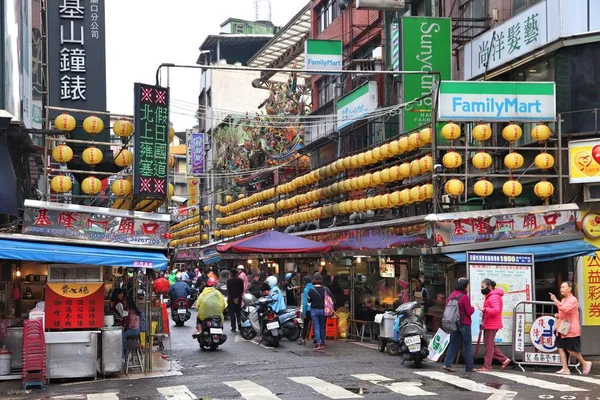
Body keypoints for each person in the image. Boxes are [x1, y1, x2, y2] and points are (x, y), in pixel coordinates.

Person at [551, 281, 593, 375]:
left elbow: (566, 309)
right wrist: (558, 315)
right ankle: (565, 368)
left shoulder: (573, 300)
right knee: (560, 347)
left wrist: (556, 301)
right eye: (561, 287)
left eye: (564, 287)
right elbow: (563, 312)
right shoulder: (564, 300)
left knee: (572, 350)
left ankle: (585, 363)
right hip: (562, 328)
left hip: (571, 329)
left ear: (570, 289)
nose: (561, 289)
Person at [476, 278, 511, 372]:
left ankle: (487, 366)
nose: (482, 289)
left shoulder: (493, 296)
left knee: (489, 345)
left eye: (483, 287)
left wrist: (483, 310)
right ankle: (504, 359)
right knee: (490, 344)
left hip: (492, 324)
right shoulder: (492, 295)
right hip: (490, 323)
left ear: (490, 287)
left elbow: (496, 310)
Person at [442, 277, 475, 372]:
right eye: (468, 285)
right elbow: (469, 312)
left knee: (453, 344)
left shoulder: (451, 295)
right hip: (464, 323)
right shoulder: (464, 297)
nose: (469, 287)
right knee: (467, 345)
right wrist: (473, 308)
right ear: (464, 286)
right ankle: (469, 367)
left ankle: (447, 364)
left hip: (453, 323)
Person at [307, 274, 334, 350]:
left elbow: (309, 301)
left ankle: (318, 344)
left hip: (314, 310)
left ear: (314, 280)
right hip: (323, 310)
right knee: (322, 326)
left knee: (316, 327)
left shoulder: (311, 290)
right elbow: (331, 297)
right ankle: (322, 342)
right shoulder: (325, 289)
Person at [298, 274, 313, 345]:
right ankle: (317, 340)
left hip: (308, 310)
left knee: (306, 325)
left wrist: (303, 313)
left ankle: (303, 339)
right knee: (316, 325)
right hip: (315, 309)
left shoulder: (306, 289)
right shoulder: (314, 288)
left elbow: (304, 302)